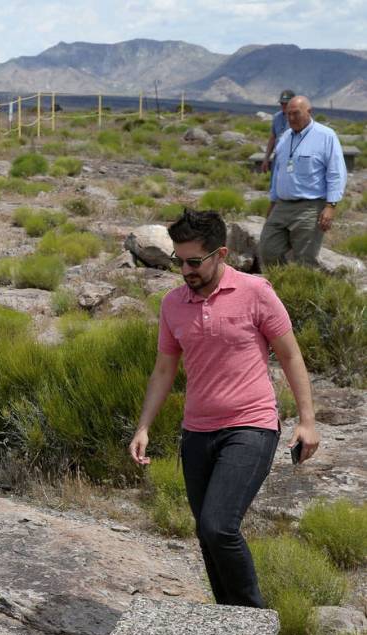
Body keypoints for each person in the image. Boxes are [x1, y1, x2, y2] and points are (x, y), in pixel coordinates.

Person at [129, 209, 318, 608]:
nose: (185, 270)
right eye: (179, 261)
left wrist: (307, 421)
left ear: (221, 253)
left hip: (250, 425)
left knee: (219, 527)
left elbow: (291, 356)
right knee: (205, 533)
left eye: (194, 261)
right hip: (197, 432)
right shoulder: (172, 304)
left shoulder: (256, 292)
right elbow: (164, 370)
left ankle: (254, 623)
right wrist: (143, 426)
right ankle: (228, 624)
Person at [259, 95, 347, 267]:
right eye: (288, 114)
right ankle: (281, 287)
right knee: (268, 250)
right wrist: (273, 202)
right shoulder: (284, 138)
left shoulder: (326, 136)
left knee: (305, 259)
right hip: (282, 206)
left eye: (296, 114)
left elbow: (336, 172)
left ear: (309, 112)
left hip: (310, 208)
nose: (291, 118)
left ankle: (302, 292)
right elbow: (278, 172)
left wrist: (331, 206)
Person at [260, 89, 294, 174]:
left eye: (287, 103)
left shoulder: (298, 119)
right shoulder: (277, 117)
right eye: (282, 103)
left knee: (289, 181)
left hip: (291, 158)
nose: (284, 106)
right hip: (278, 157)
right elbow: (273, 138)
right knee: (275, 184)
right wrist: (266, 158)